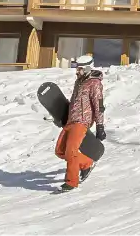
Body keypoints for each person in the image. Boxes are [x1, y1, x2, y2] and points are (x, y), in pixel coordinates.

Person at [56, 55, 106, 190]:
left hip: (82, 121)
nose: (77, 71)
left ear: (88, 68)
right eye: (76, 68)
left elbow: (98, 106)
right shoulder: (79, 82)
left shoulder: (95, 84)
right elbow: (74, 102)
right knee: (60, 150)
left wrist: (100, 126)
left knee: (71, 151)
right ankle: (87, 163)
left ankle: (71, 182)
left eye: (80, 69)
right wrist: (63, 116)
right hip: (71, 120)